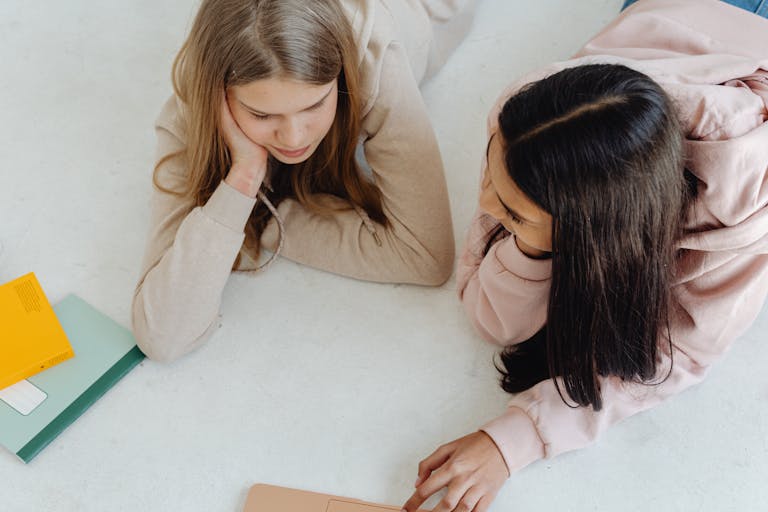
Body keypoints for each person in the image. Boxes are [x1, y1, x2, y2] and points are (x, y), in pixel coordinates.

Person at [403, 1, 768, 511]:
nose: (484, 206)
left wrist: (516, 439)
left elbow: (680, 353)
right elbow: (490, 316)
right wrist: (529, 243)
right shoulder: (529, 119)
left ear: (597, 237)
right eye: (491, 177)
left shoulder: (742, 216)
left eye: (511, 209)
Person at [132, 0, 467, 363]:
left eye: (315, 105)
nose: (293, 139)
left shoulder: (374, 62)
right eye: (261, 113)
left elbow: (427, 257)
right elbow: (163, 336)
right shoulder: (189, 110)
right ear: (218, 95)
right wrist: (243, 180)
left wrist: (263, 222)